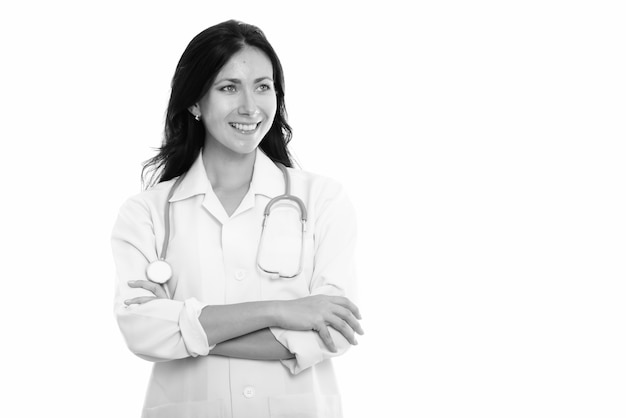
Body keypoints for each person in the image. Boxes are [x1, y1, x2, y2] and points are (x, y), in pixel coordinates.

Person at [111, 20, 363, 418]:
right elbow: (140, 328)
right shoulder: (146, 213)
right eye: (229, 87)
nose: (250, 106)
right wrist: (281, 311)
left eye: (263, 86)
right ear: (194, 102)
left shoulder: (322, 199)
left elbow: (334, 331)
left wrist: (184, 325)